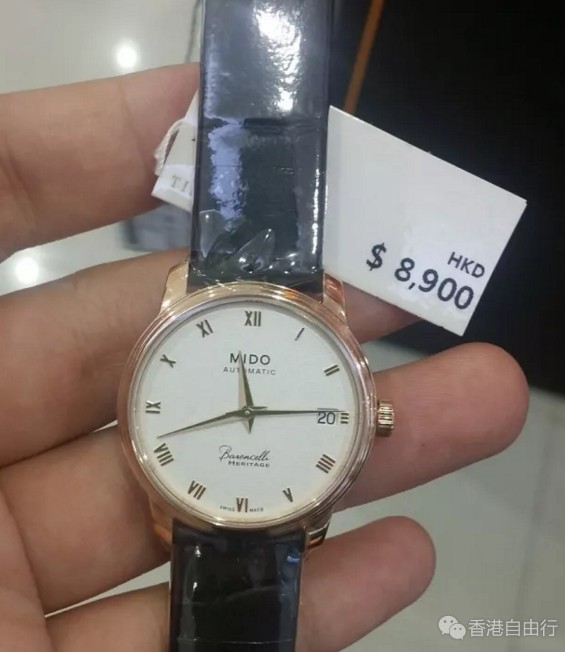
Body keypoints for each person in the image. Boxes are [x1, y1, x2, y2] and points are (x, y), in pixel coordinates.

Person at [0, 65, 528, 651]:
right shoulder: (190, 308)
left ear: (372, 416)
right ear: (374, 416)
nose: (247, 415)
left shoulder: (303, 314)